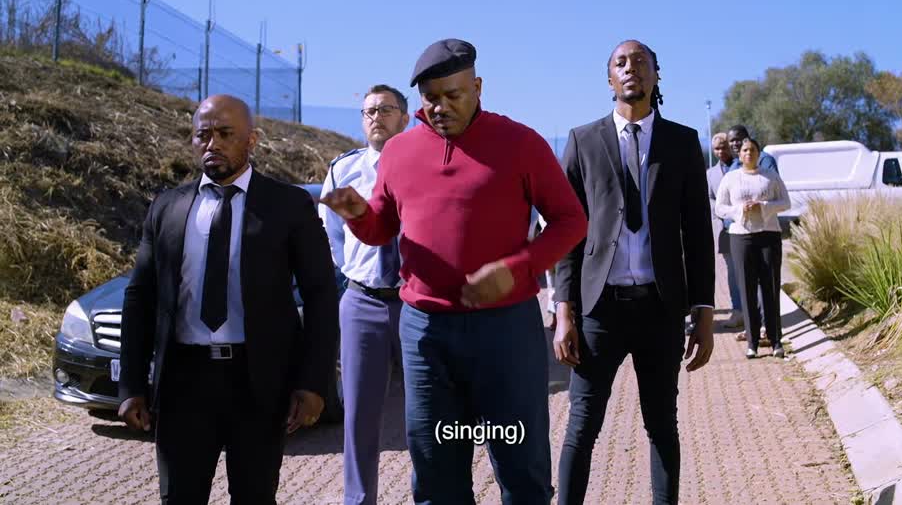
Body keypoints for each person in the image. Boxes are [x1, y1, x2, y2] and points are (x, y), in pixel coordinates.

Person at [319, 39, 587, 505]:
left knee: (520, 468)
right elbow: (382, 228)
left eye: (453, 95)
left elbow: (571, 221)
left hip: (505, 332)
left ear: (478, 87)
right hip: (425, 334)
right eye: (430, 98)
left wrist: (519, 268)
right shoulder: (399, 152)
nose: (440, 107)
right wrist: (358, 214)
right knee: (436, 472)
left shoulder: (521, 143)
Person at [118, 94, 340, 504]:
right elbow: (140, 297)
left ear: (252, 139)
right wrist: (131, 384)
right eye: (203, 135)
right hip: (184, 381)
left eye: (225, 134)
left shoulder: (287, 205)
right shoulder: (167, 207)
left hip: (258, 382)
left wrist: (313, 383)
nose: (212, 144)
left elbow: (321, 295)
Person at [553, 40, 715, 505]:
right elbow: (568, 232)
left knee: (662, 425)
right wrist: (564, 311)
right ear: (609, 79)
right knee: (582, 426)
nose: (632, 69)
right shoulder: (583, 140)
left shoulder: (682, 142)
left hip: (660, 310)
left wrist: (704, 312)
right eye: (621, 63)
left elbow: (698, 234)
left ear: (657, 75)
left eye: (641, 62)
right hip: (599, 311)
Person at [319, 84, 410, 505]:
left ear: (404, 118)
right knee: (359, 414)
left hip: (414, 303)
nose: (376, 117)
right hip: (362, 303)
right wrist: (357, 274)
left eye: (386, 109)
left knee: (427, 410)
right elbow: (333, 236)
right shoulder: (343, 170)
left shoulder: (423, 164)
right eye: (369, 111)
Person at [715, 137, 790, 359]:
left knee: (770, 286)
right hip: (741, 237)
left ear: (759, 153)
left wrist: (763, 206)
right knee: (747, 288)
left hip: (769, 235)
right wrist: (739, 210)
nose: (749, 153)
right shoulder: (731, 178)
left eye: (753, 150)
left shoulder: (770, 176)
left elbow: (786, 202)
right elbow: (720, 207)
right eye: (745, 150)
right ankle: (752, 342)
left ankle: (776, 341)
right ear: (739, 155)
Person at [726, 124, 779, 343]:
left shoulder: (764, 160)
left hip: (763, 231)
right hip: (739, 232)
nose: (735, 144)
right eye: (731, 141)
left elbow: (773, 190)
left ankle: (767, 329)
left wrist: (758, 205)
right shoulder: (734, 166)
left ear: (748, 138)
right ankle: (753, 329)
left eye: (738, 139)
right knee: (746, 283)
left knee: (763, 283)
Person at [706, 132, 743, 328]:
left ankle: (755, 312)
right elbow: (709, 199)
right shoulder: (710, 174)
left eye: (723, 147)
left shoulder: (742, 165)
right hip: (724, 229)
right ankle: (737, 311)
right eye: (716, 149)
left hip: (745, 226)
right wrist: (723, 210)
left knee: (748, 269)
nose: (720, 152)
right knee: (732, 271)